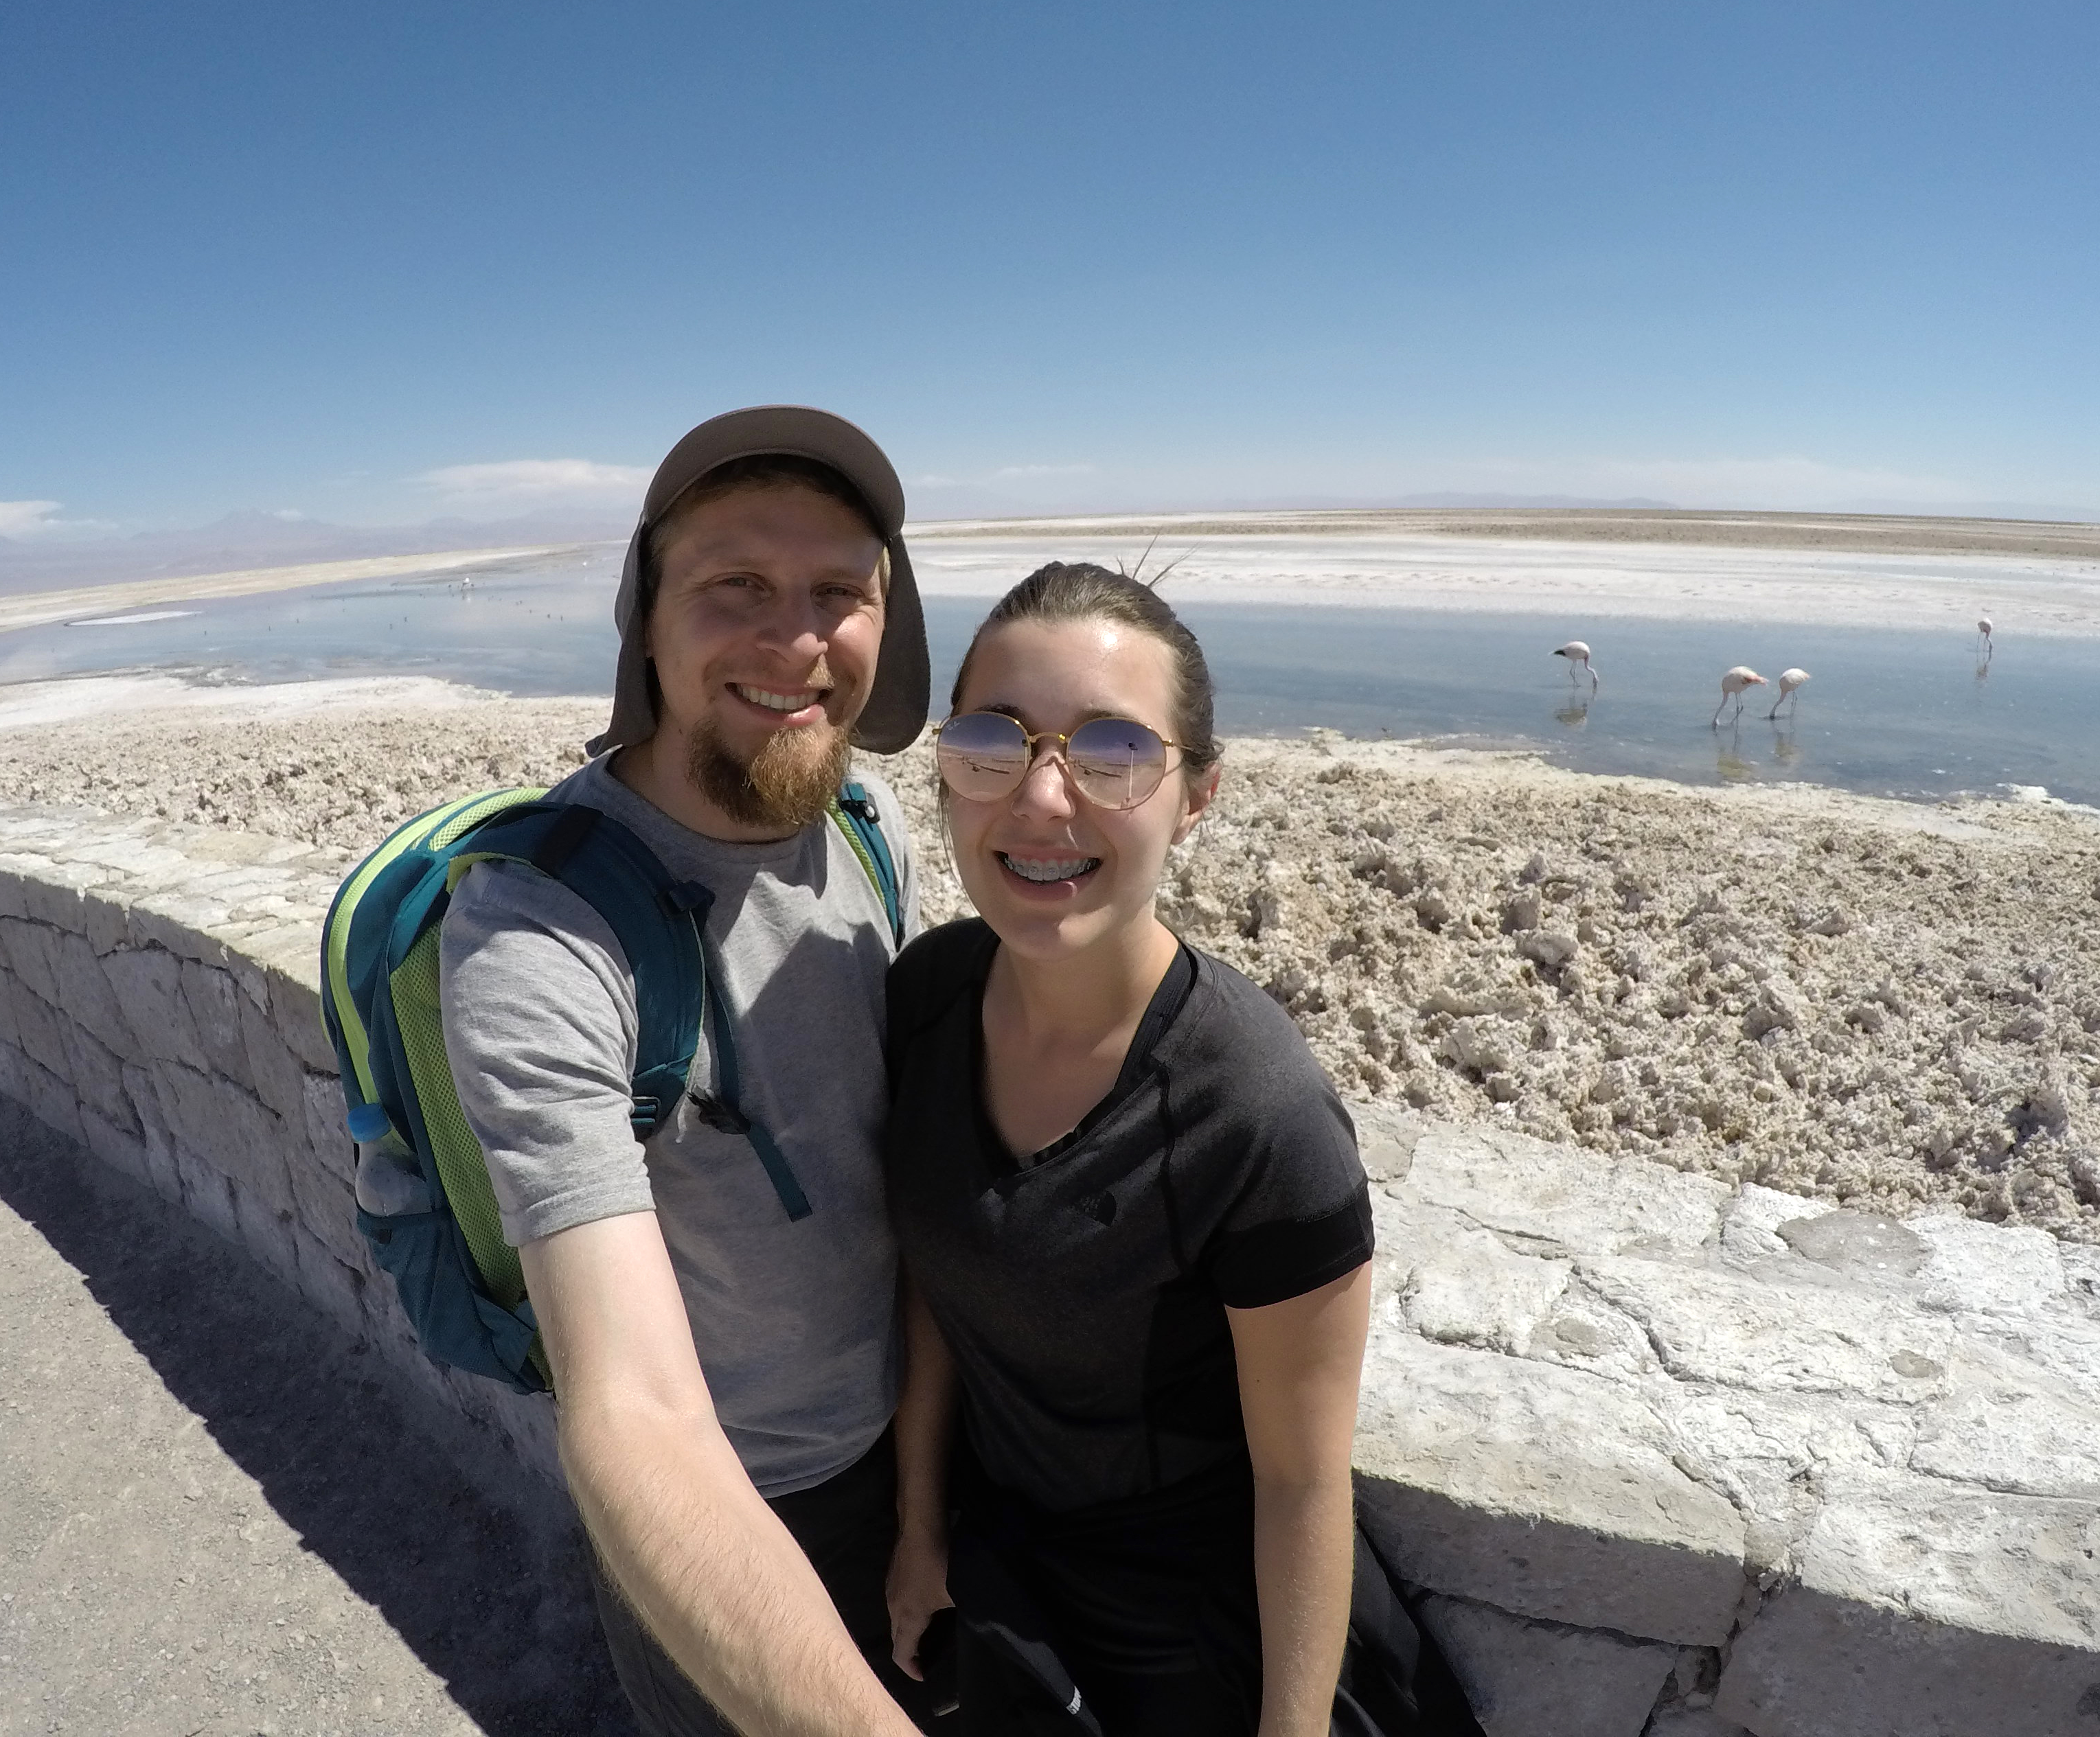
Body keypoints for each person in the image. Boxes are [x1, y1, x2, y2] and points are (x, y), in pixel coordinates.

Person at [881, 564, 1476, 1736]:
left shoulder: (1252, 1111)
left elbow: (1303, 1485)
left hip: (1197, 1632)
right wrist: (919, 1530)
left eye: (1112, 755)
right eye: (994, 744)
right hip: (1012, 1579)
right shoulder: (927, 998)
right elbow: (936, 1282)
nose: (1043, 803)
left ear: (1196, 794)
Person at [441, 406, 943, 1737]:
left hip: (910, 1458)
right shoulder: (539, 930)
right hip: (722, 1511)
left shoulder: (864, 820)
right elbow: (636, 1415)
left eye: (839, 593)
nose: (795, 641)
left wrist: (928, 1492)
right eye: (736, 587)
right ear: (644, 621)